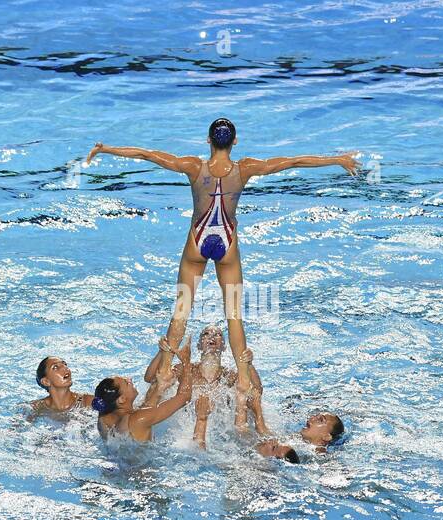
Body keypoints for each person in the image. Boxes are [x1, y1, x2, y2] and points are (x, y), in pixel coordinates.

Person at [84, 118, 359, 408]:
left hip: (197, 243)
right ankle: (243, 378)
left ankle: (165, 370)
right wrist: (337, 159)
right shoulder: (246, 168)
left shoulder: (193, 166)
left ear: (208, 140)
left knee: (181, 311)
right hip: (226, 244)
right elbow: (293, 162)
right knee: (234, 314)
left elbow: (148, 155)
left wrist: (106, 149)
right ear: (235, 142)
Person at [141, 326, 268, 448]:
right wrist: (161, 352)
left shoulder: (229, 376)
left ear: (223, 346)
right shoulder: (185, 369)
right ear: (199, 345)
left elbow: (256, 393)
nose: (212, 337)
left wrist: (249, 365)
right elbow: (151, 379)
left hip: (221, 435)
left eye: (218, 335)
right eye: (206, 334)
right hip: (186, 433)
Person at [92, 340, 194, 443]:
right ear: (122, 399)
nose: (129, 379)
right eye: (126, 383)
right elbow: (184, 397)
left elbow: (145, 408)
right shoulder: (139, 419)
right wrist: (186, 363)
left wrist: (159, 388)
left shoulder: (103, 419)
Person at [28, 356, 93, 419]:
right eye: (55, 367)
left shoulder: (88, 402)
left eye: (64, 364)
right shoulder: (37, 408)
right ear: (46, 381)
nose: (65, 368)